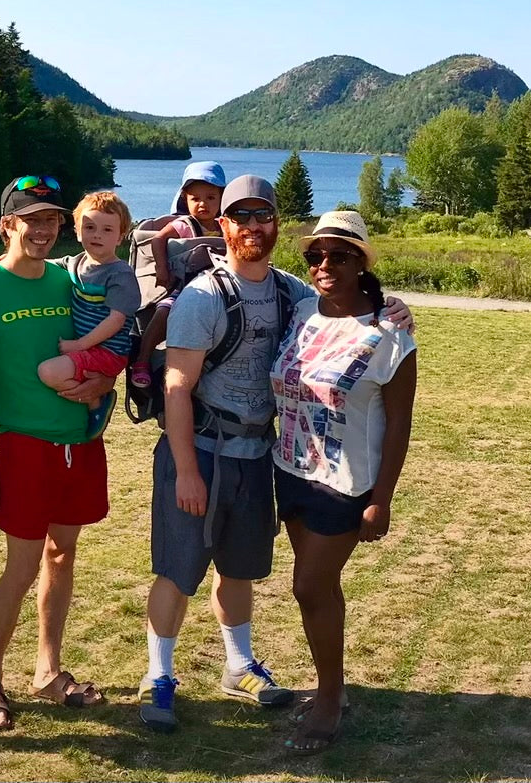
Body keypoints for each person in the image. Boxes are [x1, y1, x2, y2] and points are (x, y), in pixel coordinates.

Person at [137, 176, 414, 734]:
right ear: (224, 226)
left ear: (276, 224)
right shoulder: (203, 297)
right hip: (204, 450)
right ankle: (158, 676)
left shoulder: (294, 293)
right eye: (240, 217)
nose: (252, 227)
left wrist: (393, 306)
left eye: (262, 215)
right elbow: (175, 386)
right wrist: (187, 470)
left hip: (261, 455)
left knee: (239, 567)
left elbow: (350, 311)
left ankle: (238, 665)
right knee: (180, 567)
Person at [0, 175, 114, 731]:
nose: (44, 229)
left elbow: (102, 346)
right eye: (32, 219)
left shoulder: (65, 280)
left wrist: (101, 387)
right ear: (8, 225)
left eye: (52, 219)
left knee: (61, 555)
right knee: (21, 567)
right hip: (23, 444)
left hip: (80, 442)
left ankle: (48, 671)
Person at [273, 212, 416, 755]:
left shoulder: (390, 333)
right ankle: (333, 685)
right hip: (291, 470)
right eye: (314, 255)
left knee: (308, 586)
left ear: (362, 262)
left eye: (339, 255)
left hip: (346, 481)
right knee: (320, 588)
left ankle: (329, 698)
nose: (324, 265)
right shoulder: (301, 311)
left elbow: (400, 423)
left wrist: (382, 500)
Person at [38, 191, 141, 439]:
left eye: (107, 230)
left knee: (47, 372)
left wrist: (79, 345)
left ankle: (96, 400)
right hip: (87, 350)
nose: (97, 235)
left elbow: (116, 321)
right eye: (90, 227)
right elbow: (46, 263)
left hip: (109, 352)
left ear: (120, 237)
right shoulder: (77, 262)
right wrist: (8, 260)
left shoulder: (120, 275)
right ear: (76, 230)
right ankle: (91, 392)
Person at [130, 161, 226, 389]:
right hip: (185, 289)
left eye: (211, 198)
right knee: (166, 309)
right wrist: (162, 267)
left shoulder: (225, 225)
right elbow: (158, 239)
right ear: (185, 198)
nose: (203, 204)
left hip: (221, 291)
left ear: (222, 197)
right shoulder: (184, 224)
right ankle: (143, 360)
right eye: (196, 199)